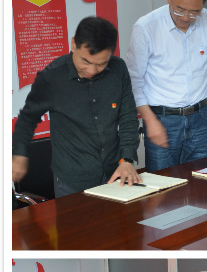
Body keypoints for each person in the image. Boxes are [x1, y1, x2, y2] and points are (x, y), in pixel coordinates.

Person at [12, 17, 140, 197]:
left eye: (101, 64)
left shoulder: (118, 69)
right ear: (74, 44)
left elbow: (128, 116)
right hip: (72, 180)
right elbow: (27, 119)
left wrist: (126, 159)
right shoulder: (52, 78)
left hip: (115, 172)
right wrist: (19, 154)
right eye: (85, 61)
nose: (92, 71)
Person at [126, 0, 207, 172]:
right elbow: (134, 82)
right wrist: (150, 120)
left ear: (203, 5)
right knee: (164, 184)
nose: (186, 18)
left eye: (194, 12)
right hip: (162, 119)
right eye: (180, 10)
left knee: (200, 179)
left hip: (200, 117)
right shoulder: (146, 27)